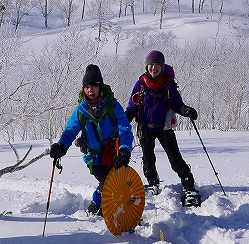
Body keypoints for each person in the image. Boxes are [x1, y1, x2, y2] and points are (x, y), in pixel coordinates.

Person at [49, 64, 133, 216]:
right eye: (87, 87)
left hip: (114, 154)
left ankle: (97, 205)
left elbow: (125, 129)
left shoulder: (113, 106)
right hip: (94, 158)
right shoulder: (81, 111)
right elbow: (70, 130)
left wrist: (125, 149)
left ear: (100, 87)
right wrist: (61, 146)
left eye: (93, 85)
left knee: (117, 182)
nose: (90, 90)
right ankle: (114, 211)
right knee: (110, 182)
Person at [125, 50, 200, 205]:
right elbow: (132, 107)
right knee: (148, 159)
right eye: (151, 65)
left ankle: (188, 186)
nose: (154, 68)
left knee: (175, 158)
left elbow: (178, 104)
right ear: (147, 67)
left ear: (162, 67)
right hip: (145, 128)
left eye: (157, 65)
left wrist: (186, 111)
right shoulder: (139, 85)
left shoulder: (168, 85)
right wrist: (125, 119)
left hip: (164, 128)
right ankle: (153, 183)